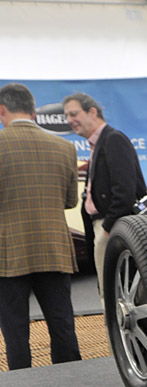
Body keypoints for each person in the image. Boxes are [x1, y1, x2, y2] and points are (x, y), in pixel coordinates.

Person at [0, 83, 81, 370]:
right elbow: (70, 201)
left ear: (2, 110)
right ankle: (71, 382)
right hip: (54, 249)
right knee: (63, 326)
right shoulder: (65, 146)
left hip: (8, 254)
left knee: (15, 332)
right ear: (34, 112)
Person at [63, 92, 147, 298]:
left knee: (114, 297)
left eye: (74, 114)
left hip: (113, 227)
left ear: (92, 112)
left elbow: (125, 190)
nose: (69, 121)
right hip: (105, 227)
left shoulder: (113, 140)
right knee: (111, 294)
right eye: (66, 116)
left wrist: (108, 228)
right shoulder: (99, 143)